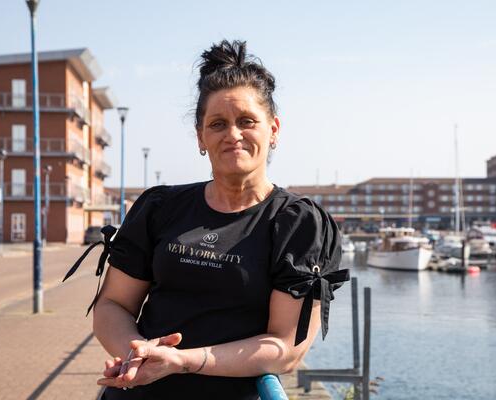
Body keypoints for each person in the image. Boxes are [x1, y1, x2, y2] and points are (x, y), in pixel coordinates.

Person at [65, 39, 349, 399]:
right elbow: (113, 305)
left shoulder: (298, 224)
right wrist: (137, 352)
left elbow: (286, 347)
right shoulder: (161, 207)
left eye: (247, 121)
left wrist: (183, 361)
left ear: (273, 129)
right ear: (200, 136)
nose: (233, 135)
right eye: (218, 124)